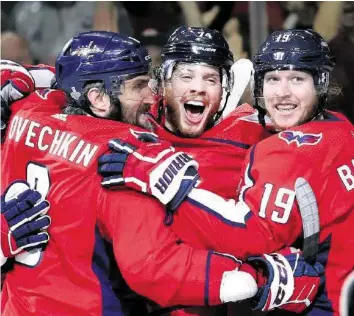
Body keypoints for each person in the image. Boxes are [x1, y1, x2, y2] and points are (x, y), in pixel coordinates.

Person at [0, 31, 320, 316]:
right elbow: (153, 268)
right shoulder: (126, 151)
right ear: (98, 99)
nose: (149, 95)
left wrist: (31, 74)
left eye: (210, 78)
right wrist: (261, 279)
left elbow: (58, 84)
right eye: (140, 85)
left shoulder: (28, 111)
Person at [99, 29, 354, 315]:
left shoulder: (267, 139)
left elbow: (253, 234)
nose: (283, 92)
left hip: (216, 292)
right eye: (186, 76)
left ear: (225, 89)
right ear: (163, 83)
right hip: (127, 285)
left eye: (210, 78)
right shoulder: (128, 117)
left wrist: (166, 181)